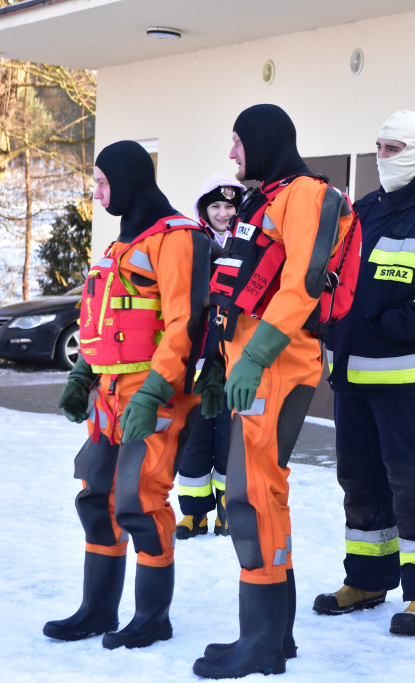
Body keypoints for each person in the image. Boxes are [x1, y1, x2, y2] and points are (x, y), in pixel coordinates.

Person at [191, 104, 355, 679]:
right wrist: (220, 360)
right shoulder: (265, 199)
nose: (232, 154)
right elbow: (239, 286)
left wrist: (256, 355)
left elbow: (305, 281)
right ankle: (273, 637)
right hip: (252, 367)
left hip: (279, 366)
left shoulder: (304, 194)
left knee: (248, 496)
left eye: (238, 142)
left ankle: (259, 643)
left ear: (263, 141)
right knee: (263, 494)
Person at [313, 110, 415, 636]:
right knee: (359, 482)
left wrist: (389, 327)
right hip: (355, 379)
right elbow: (337, 281)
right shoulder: (363, 211)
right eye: (378, 147)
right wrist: (329, 327)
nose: (381, 157)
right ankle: (366, 578)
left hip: (413, 383)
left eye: (391, 148)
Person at [43, 140, 210, 650]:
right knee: (97, 498)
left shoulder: (179, 239)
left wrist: (154, 392)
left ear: (129, 179)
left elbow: (186, 323)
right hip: (108, 396)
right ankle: (97, 611)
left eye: (101, 182)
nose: (96, 194)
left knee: (139, 501)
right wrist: (81, 377)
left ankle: (152, 618)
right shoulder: (120, 246)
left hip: (151, 395)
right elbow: (103, 321)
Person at [175, 173, 245, 540]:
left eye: (230, 206)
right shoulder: (193, 244)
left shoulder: (248, 245)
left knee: (229, 437)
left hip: (233, 357)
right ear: (204, 209)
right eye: (215, 206)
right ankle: (193, 513)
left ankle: (227, 508)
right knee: (195, 436)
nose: (223, 213)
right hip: (197, 359)